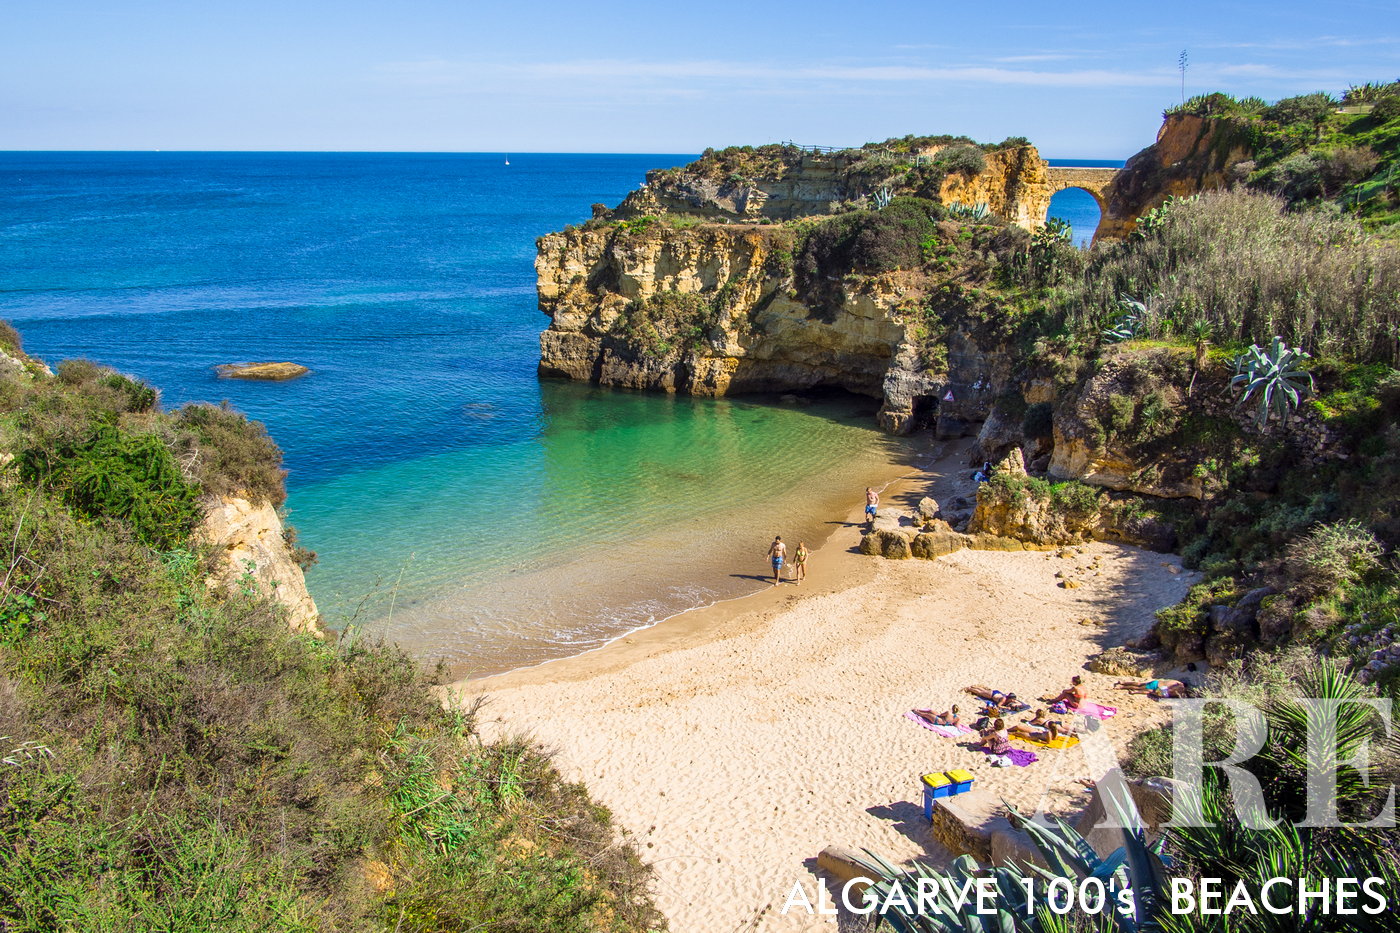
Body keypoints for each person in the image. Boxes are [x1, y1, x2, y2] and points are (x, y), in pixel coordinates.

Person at [1114, 678, 1187, 698]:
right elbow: (1170, 692)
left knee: (1139, 685)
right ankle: (1122, 686)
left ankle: (1123, 683)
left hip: (1157, 683)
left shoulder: (1176, 682)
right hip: (1157, 686)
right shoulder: (1178, 686)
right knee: (1140, 687)